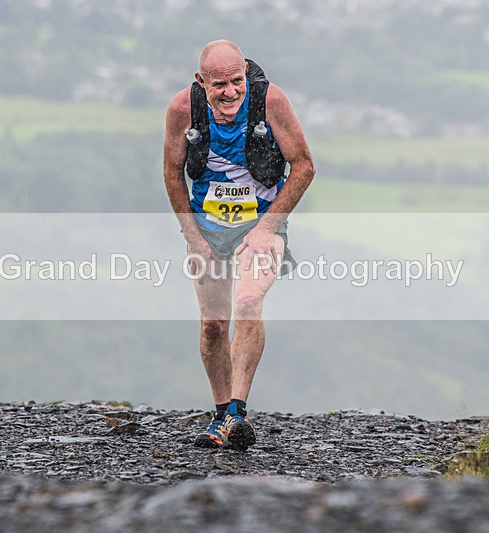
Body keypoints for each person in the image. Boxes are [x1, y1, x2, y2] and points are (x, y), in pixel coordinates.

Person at [163, 40, 315, 450]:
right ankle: (219, 416)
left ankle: (236, 413)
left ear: (246, 74)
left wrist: (267, 229)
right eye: (219, 85)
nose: (230, 92)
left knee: (247, 301)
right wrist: (192, 237)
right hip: (207, 227)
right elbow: (172, 173)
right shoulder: (182, 109)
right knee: (214, 326)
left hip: (261, 225)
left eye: (236, 81)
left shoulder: (270, 102)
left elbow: (303, 166)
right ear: (201, 82)